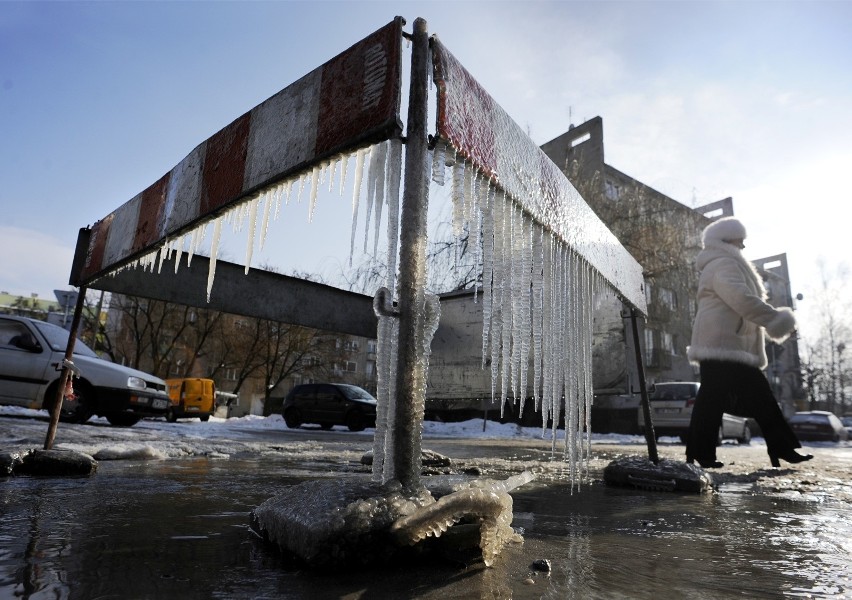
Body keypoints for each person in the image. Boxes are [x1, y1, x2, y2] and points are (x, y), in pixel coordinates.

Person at [685, 217, 812, 469]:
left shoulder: (725, 262)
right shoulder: (723, 263)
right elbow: (740, 299)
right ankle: (702, 452)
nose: (743, 245)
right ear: (725, 241)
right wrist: (774, 319)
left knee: (754, 398)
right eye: (739, 240)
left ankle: (781, 448)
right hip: (722, 343)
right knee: (716, 400)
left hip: (731, 345)